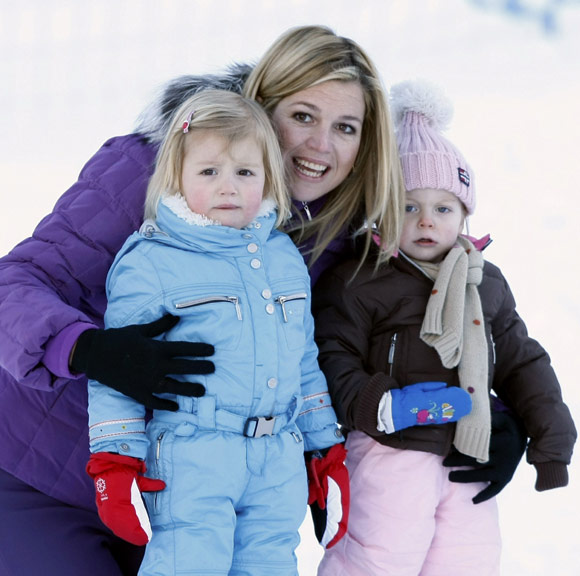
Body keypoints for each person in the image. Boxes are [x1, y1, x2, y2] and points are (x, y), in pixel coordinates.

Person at [0, 24, 523, 575]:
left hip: (195, 505)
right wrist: (90, 350)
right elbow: (16, 284)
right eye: (302, 116)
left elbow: (385, 345)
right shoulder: (152, 173)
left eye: (345, 127)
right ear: (260, 105)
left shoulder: (334, 238)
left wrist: (491, 415)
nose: (321, 145)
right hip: (44, 475)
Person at [312, 79, 577, 575]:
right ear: (382, 212)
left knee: (467, 560)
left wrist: (551, 438)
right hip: (390, 448)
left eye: (443, 208)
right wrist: (381, 404)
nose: (426, 221)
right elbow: (332, 356)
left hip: (468, 452)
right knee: (379, 558)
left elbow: (520, 358)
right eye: (408, 206)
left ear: (464, 214)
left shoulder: (485, 283)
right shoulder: (358, 279)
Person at [85, 88, 348, 575]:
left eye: (245, 172)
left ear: (267, 177)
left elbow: (304, 362)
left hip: (277, 460)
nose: (229, 187)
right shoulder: (151, 262)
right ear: (177, 177)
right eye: (209, 172)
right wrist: (115, 462)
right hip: (190, 458)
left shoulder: (283, 257)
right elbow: (115, 372)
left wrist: (325, 449)